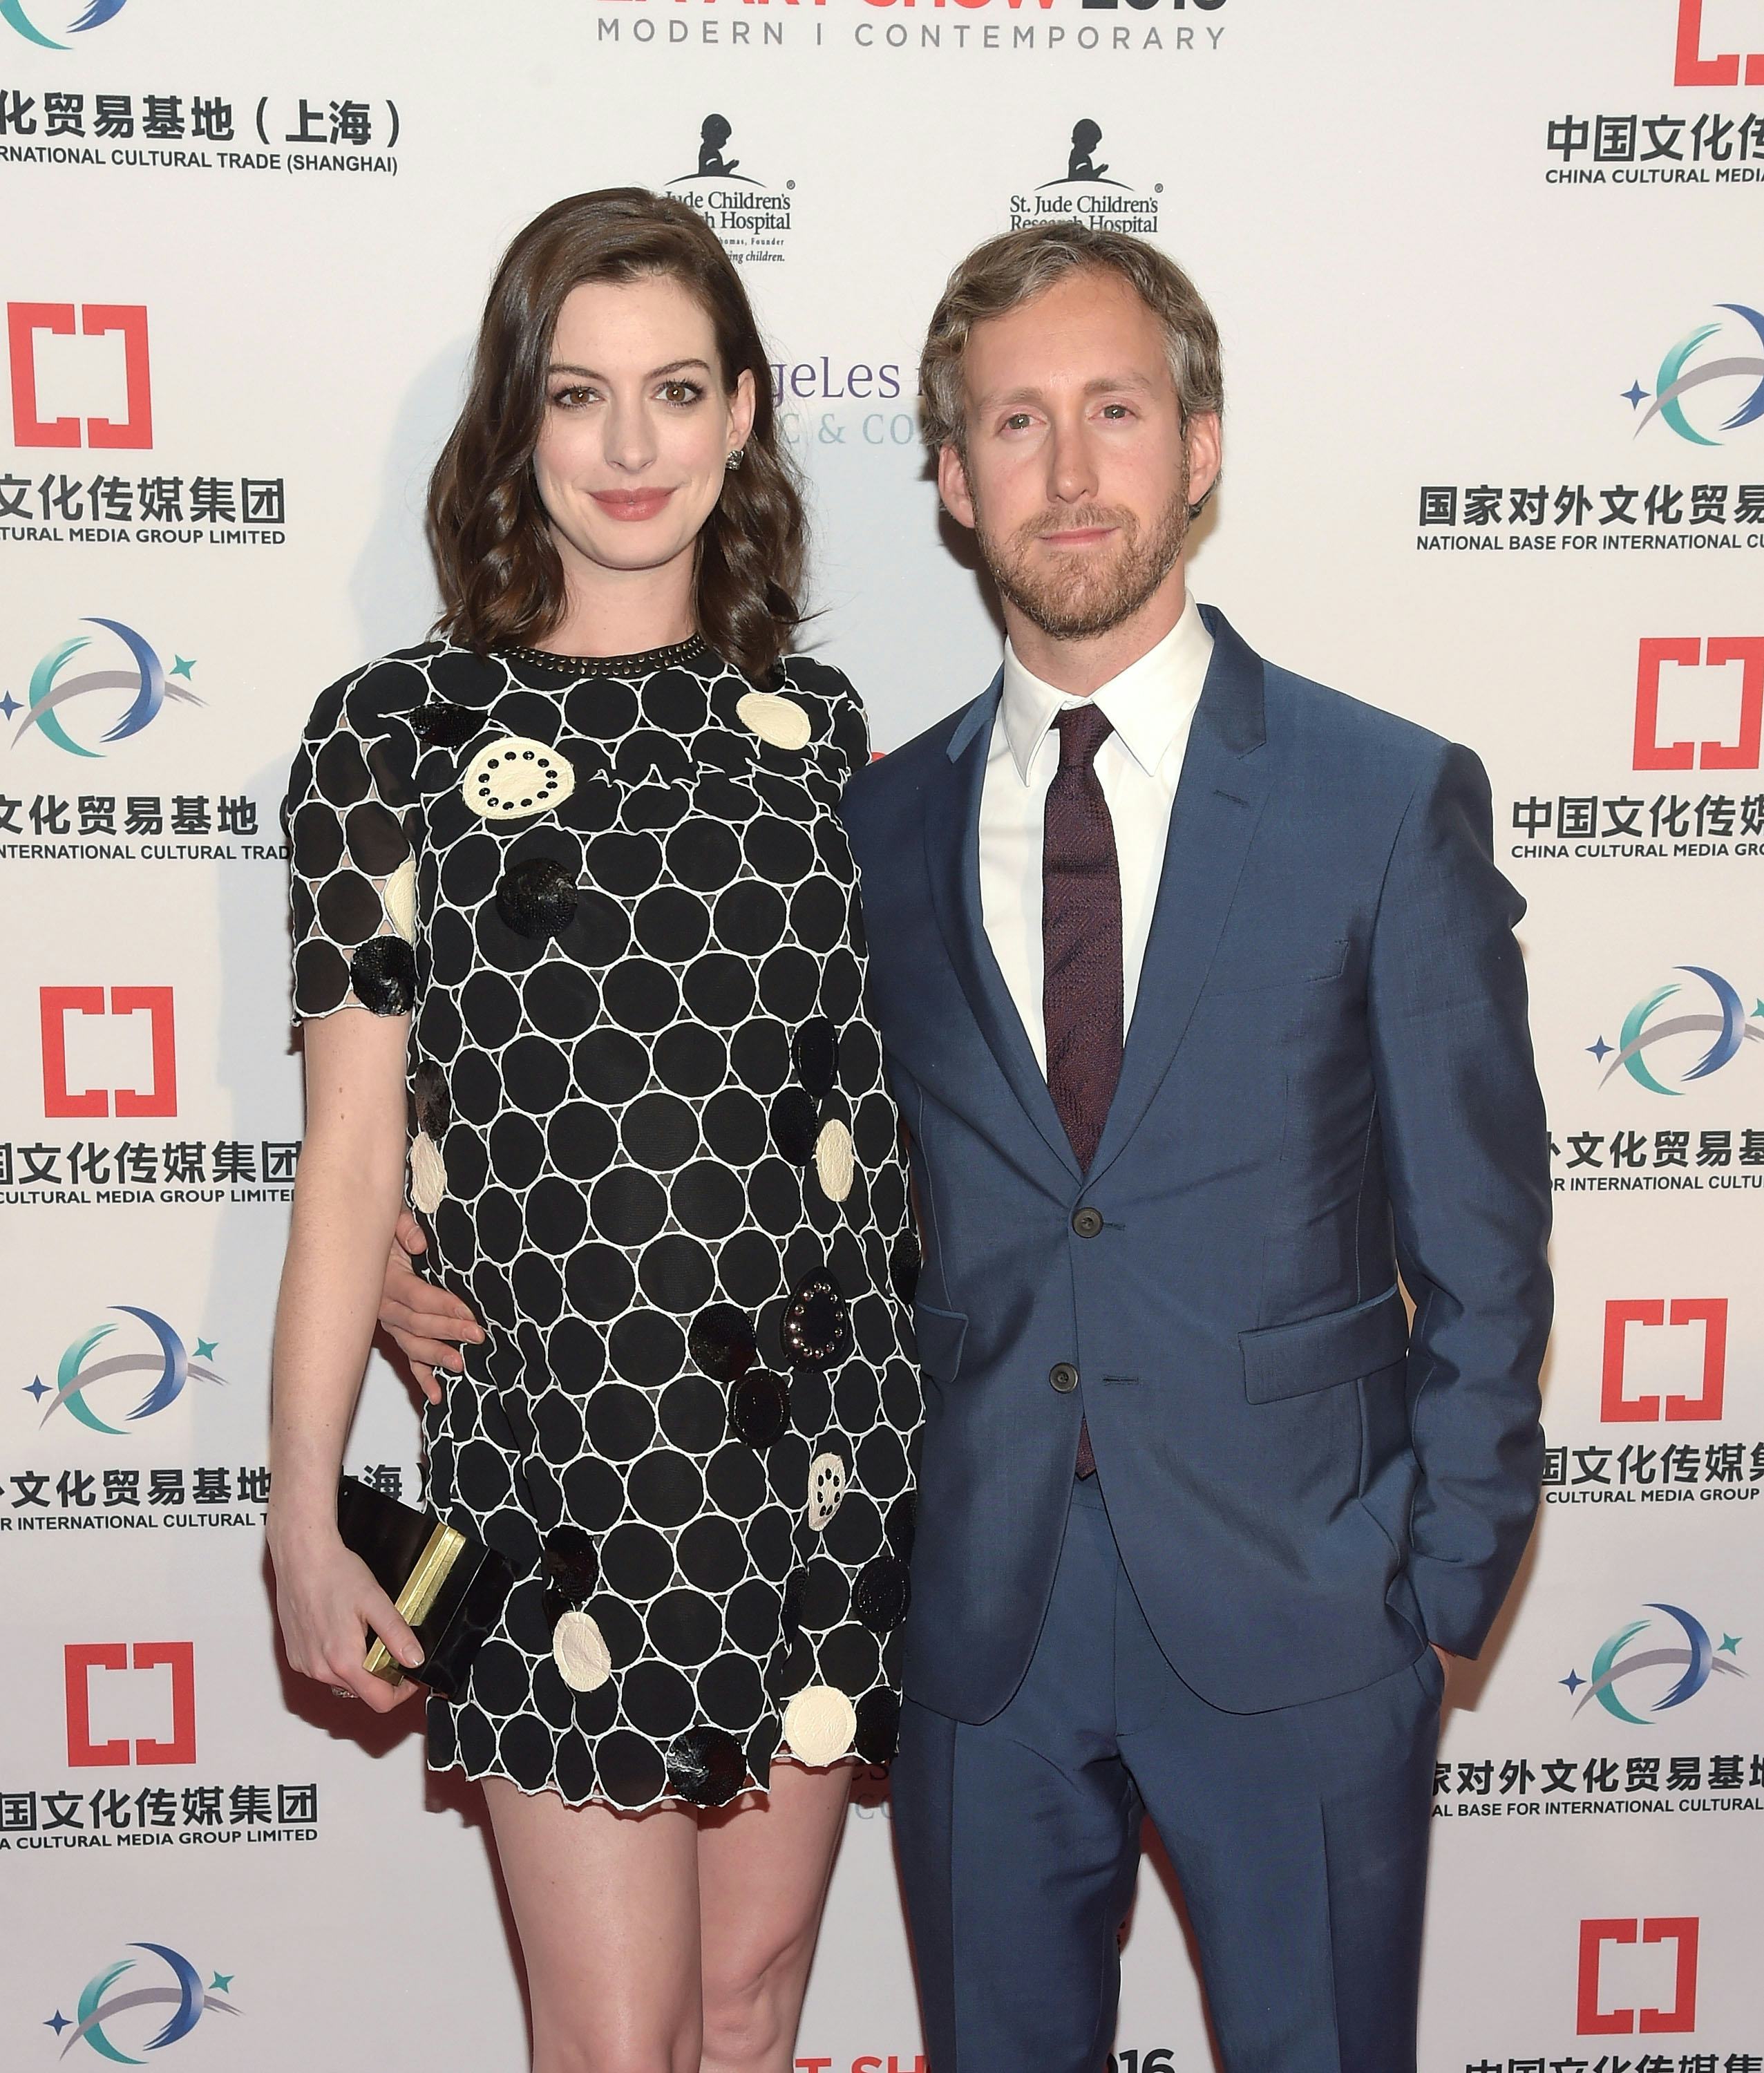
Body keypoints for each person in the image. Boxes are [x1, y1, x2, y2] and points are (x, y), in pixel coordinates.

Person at [381, 220, 1554, 2072]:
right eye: (1015, 423)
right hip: (970, 1630)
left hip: (1309, 1624)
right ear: (948, 476)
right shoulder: (866, 825)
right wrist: (408, 1229)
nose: (1069, 471)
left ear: (1201, 444)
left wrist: (1434, 1592)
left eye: (1115, 410)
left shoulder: (1385, 799)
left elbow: (1485, 1245)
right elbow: (710, 1119)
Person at [269, 188, 921, 2073]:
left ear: (741, 415)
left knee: (747, 2002)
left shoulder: (821, 733)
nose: (631, 445)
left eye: (676, 390)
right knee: (619, 2038)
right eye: (578, 394)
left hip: (820, 1449)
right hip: (564, 1460)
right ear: (518, 422)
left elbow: (880, 1106)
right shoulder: (389, 736)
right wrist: (302, 1506)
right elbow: (348, 1155)